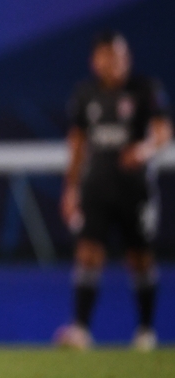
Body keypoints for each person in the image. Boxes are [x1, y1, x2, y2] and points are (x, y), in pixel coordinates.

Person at [56, 31, 172, 351]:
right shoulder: (85, 94)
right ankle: (80, 330)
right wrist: (70, 189)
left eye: (121, 56)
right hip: (96, 187)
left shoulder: (145, 89)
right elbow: (77, 144)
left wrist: (145, 150)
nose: (115, 63)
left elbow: (163, 132)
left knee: (139, 258)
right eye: (108, 56)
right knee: (88, 254)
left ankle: (146, 331)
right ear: (96, 60)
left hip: (135, 189)